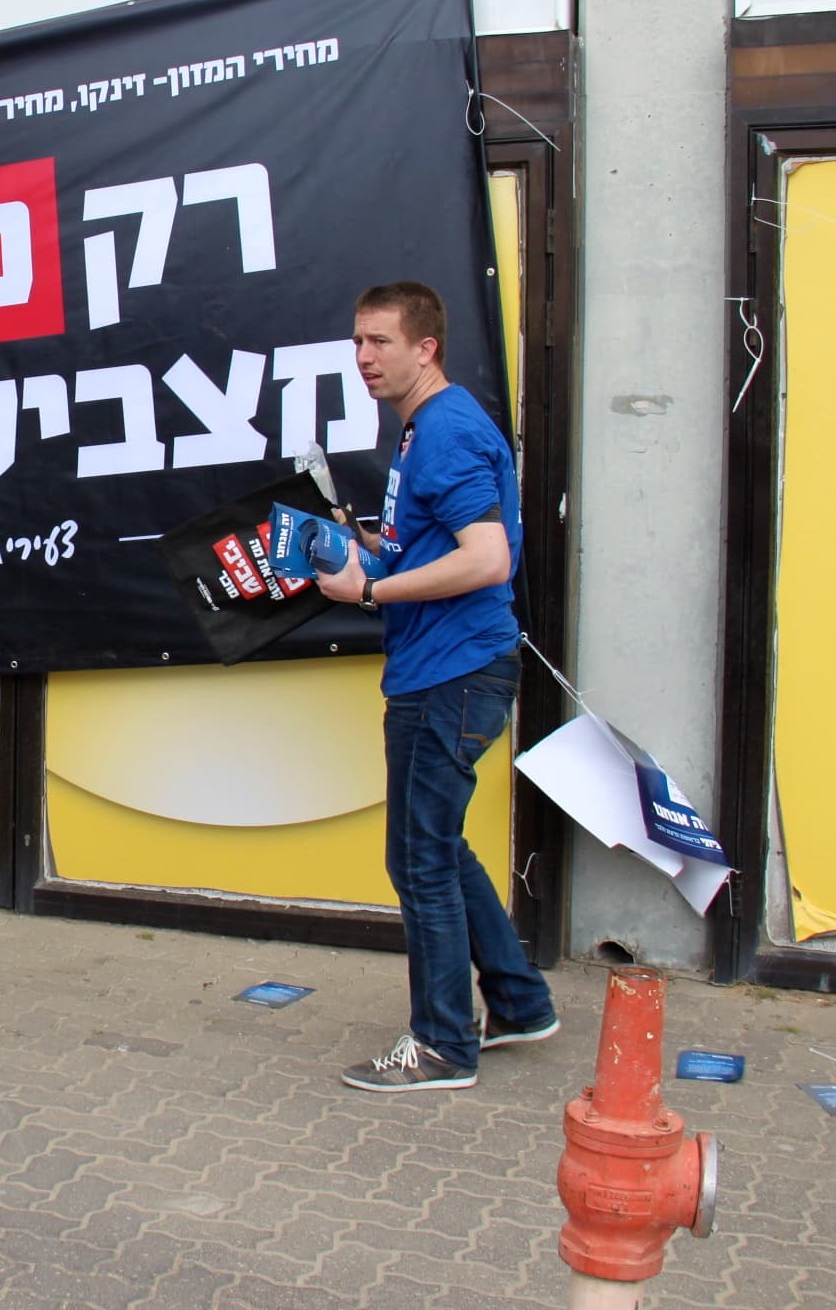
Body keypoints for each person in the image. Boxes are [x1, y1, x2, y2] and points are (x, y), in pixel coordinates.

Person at [312, 280, 556, 1093]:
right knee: (438, 846)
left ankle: (444, 1045)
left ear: (427, 348)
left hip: (452, 675)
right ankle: (519, 1003)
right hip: (445, 669)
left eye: (380, 341)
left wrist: (372, 590)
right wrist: (367, 547)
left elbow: (487, 559)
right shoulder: (424, 428)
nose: (363, 357)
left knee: (419, 859)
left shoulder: (445, 429)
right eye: (357, 341)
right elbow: (439, 545)